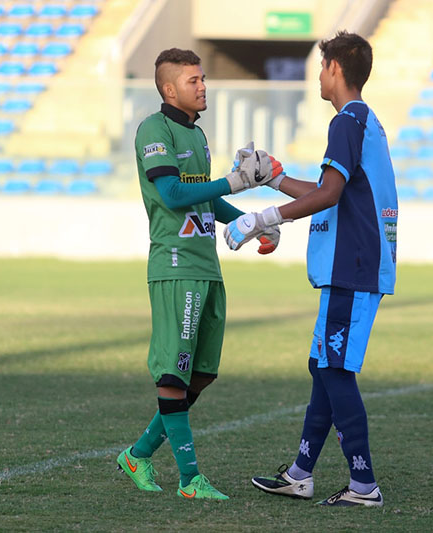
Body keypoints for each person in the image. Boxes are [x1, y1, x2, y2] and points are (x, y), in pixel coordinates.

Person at [224, 31, 397, 507]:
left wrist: (261, 216)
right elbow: (326, 189)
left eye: (322, 67)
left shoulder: (347, 121)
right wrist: (275, 178)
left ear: (336, 69)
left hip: (353, 269)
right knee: (322, 366)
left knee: (336, 371)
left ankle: (364, 485)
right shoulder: (363, 121)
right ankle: (301, 473)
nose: (319, 75)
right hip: (352, 268)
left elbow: (330, 195)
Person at [117, 48, 283, 500]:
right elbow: (171, 194)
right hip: (174, 266)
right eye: (193, 80)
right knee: (174, 375)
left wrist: (256, 223)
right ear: (169, 89)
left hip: (206, 267)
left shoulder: (199, 135)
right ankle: (190, 480)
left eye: (203, 78)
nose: (203, 85)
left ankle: (138, 454)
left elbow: (205, 199)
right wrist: (234, 181)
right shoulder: (154, 129)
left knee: (201, 375)